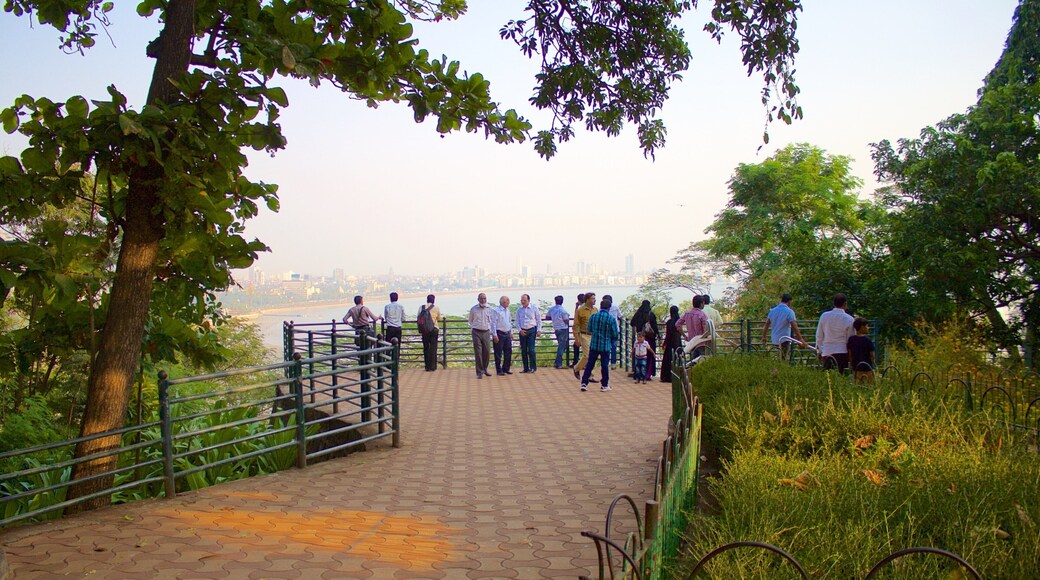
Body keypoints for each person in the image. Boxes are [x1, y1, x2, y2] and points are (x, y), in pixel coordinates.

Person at [581, 298, 618, 392]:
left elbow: (589, 329)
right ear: (609, 308)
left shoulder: (593, 316)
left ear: (600, 306)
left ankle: (584, 383)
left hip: (594, 344)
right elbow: (615, 333)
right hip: (605, 345)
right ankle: (604, 385)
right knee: (604, 366)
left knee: (590, 364)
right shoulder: (611, 319)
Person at [816, 293, 855, 373]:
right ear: (845, 304)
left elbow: (819, 335)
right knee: (841, 374)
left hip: (827, 351)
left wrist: (819, 350)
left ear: (833, 303)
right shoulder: (849, 319)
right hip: (842, 351)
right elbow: (850, 339)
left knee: (827, 375)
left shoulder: (824, 316)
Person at [762, 293, 806, 358]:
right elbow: (794, 326)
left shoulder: (772, 311)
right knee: (784, 357)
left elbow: (767, 324)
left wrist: (764, 336)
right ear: (789, 301)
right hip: (784, 339)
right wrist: (800, 338)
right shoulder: (789, 312)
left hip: (774, 339)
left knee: (778, 356)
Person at [468, 293, 495, 379]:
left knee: (487, 351)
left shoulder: (490, 309)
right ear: (478, 299)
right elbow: (470, 320)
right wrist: (473, 327)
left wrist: (492, 332)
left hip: (486, 332)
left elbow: (492, 321)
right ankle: (479, 372)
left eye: (484, 298)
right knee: (478, 352)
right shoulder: (473, 309)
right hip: (476, 332)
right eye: (481, 298)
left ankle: (485, 369)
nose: (483, 300)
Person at [630, 300, 659, 378]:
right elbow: (655, 327)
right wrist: (657, 336)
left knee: (639, 356)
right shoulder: (651, 314)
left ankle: (638, 374)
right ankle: (647, 374)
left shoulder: (638, 314)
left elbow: (632, 323)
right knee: (649, 356)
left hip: (640, 338)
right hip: (650, 338)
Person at [571, 292, 597, 380]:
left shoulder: (595, 310)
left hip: (594, 335)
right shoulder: (580, 310)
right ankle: (577, 368)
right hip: (584, 334)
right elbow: (575, 325)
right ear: (587, 300)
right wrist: (576, 338)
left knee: (593, 355)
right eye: (593, 298)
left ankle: (591, 375)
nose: (594, 300)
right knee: (587, 355)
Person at [515, 294, 541, 373]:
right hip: (522, 331)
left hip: (531, 330)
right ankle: (525, 368)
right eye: (522, 300)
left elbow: (538, 320)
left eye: (524, 300)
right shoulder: (519, 310)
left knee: (531, 349)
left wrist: (539, 330)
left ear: (528, 300)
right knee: (523, 350)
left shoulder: (534, 308)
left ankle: (533, 367)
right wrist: (520, 330)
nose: (523, 302)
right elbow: (517, 321)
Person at [848, 317, 876, 384]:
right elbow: (872, 355)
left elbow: (850, 354)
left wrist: (852, 364)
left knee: (857, 385)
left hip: (856, 368)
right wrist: (872, 364)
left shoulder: (851, 339)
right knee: (870, 386)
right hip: (867, 368)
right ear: (862, 327)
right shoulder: (868, 340)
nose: (868, 328)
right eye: (867, 326)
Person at [491, 296, 513, 375]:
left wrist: (511, 332)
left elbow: (509, 322)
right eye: (507, 301)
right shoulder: (496, 311)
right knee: (498, 353)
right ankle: (499, 370)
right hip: (499, 333)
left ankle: (506, 368)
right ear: (503, 302)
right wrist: (494, 335)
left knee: (508, 351)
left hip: (507, 333)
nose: (508, 303)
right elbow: (493, 323)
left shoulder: (508, 310)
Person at [418, 294, 441, 371]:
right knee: (433, 348)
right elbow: (439, 318)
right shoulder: (436, 308)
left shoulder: (421, 307)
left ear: (427, 299)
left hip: (425, 330)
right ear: (433, 300)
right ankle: (433, 366)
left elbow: (418, 317)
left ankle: (427, 366)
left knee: (426, 347)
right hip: (434, 329)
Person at [547, 295, 570, 369]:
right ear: (562, 301)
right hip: (563, 328)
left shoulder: (552, 309)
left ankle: (557, 362)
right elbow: (566, 320)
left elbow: (547, 317)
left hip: (556, 328)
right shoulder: (563, 310)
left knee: (561, 345)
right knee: (562, 346)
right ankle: (558, 363)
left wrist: (554, 318)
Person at [660, 305, 682, 382]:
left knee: (668, 359)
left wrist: (664, 343)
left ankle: (667, 377)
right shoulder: (679, 321)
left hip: (670, 343)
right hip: (677, 342)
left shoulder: (669, 322)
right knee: (678, 358)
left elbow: (668, 334)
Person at [604, 294, 623, 368]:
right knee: (614, 347)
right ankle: (613, 363)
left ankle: (605, 363)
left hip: (606, 330)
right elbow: (620, 316)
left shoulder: (602, 308)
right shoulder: (615, 307)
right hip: (615, 329)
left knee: (606, 347)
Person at [572, 293, 585, 365]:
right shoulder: (588, 307)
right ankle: (580, 362)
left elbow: (576, 317)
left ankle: (576, 362)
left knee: (577, 345)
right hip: (585, 330)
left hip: (581, 330)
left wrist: (576, 306)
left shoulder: (580, 308)